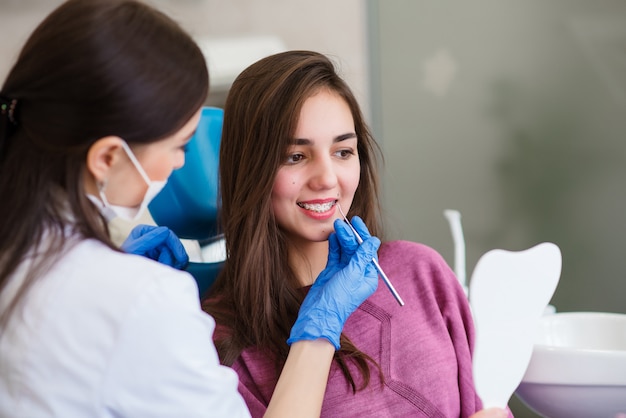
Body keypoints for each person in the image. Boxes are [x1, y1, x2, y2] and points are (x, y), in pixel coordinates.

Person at [0, 2, 380, 417]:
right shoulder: (144, 299)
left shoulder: (27, 261)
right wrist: (318, 330)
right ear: (108, 157)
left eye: (344, 150)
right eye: (179, 146)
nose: (183, 165)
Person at [203, 50, 512, 418]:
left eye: (343, 151)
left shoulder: (421, 272)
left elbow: (486, 404)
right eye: (295, 156)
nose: (327, 179)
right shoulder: (218, 340)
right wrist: (318, 330)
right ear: (250, 168)